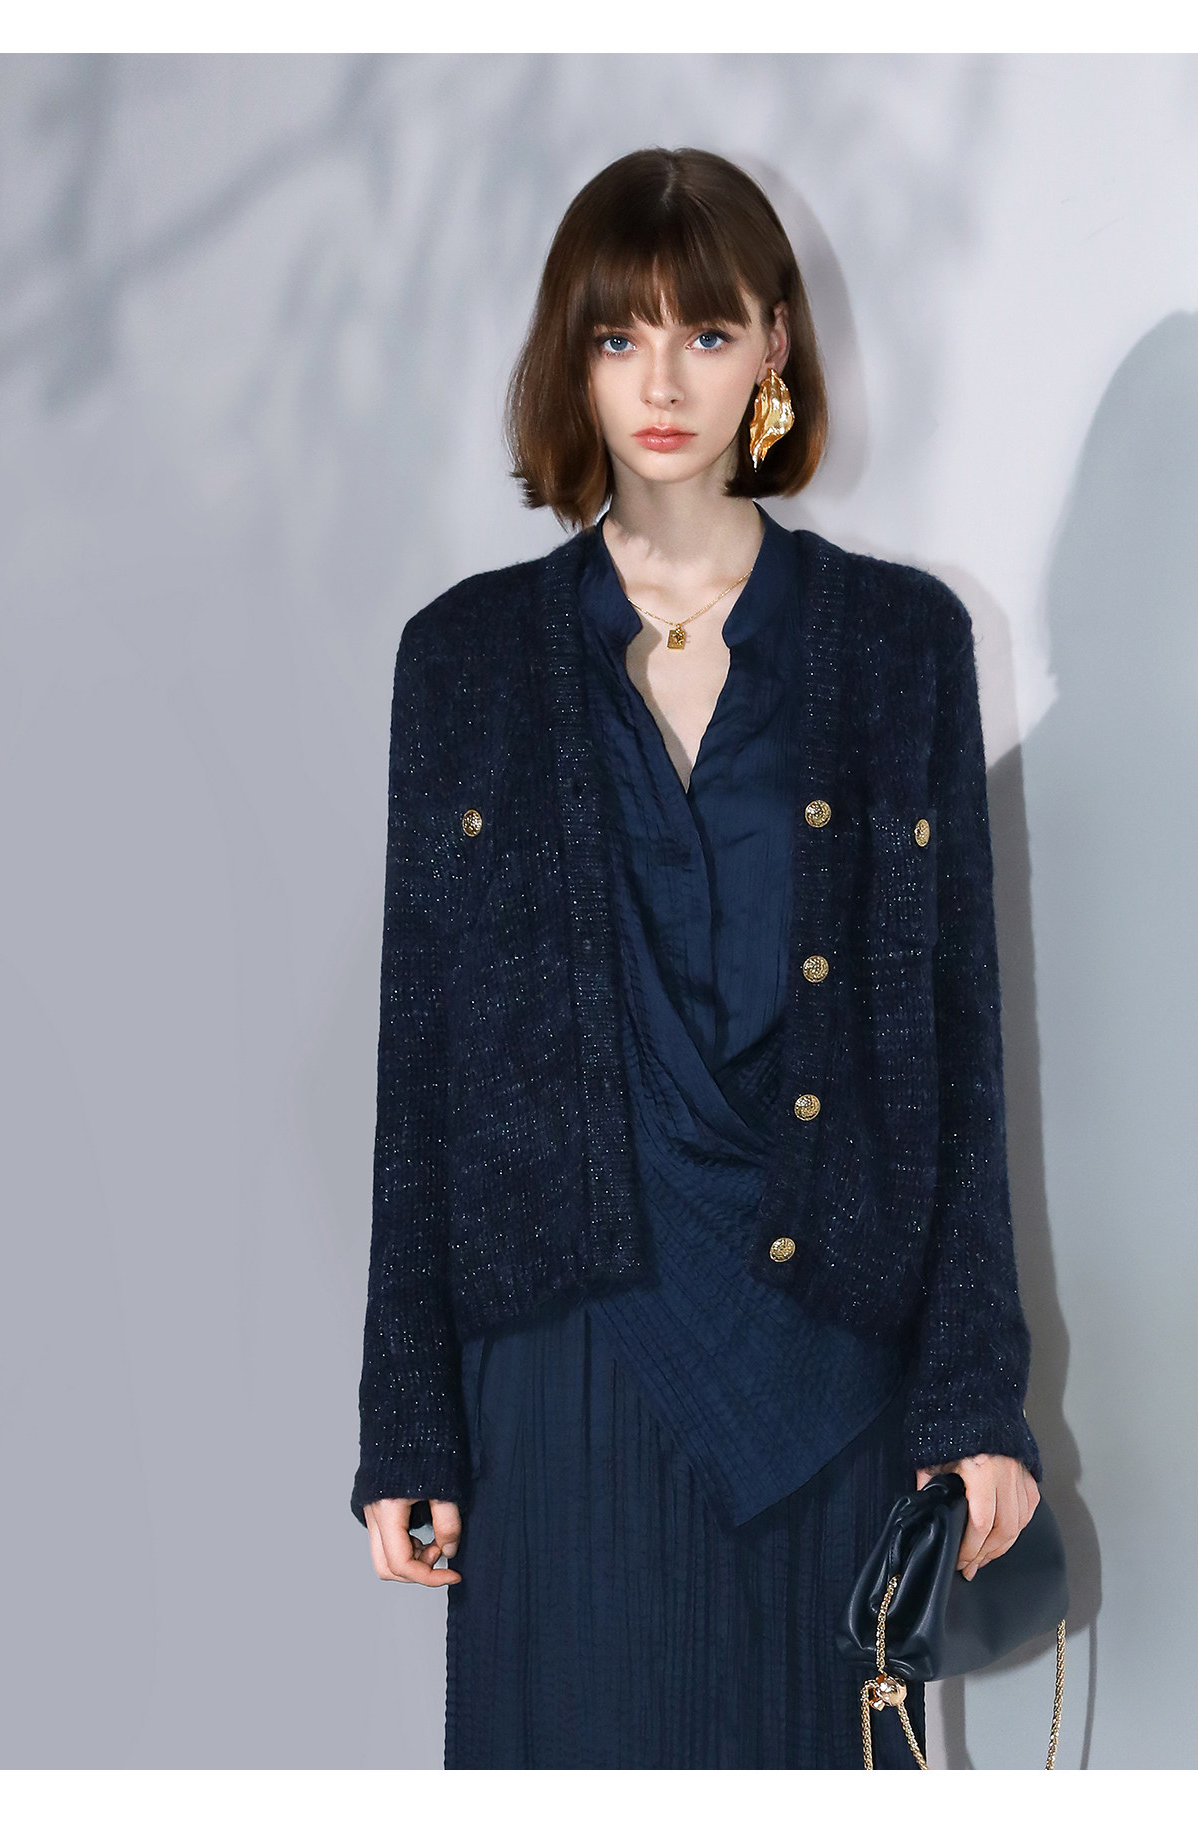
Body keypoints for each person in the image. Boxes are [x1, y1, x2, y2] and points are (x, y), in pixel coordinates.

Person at [349, 146, 1044, 1769]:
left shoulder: (901, 649)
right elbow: (422, 1059)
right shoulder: (462, 661)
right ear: (571, 357)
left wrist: (972, 1396)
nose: (662, 385)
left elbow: (955, 1045)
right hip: (561, 1371)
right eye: (619, 337)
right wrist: (406, 1415)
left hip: (828, 1363)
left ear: (774, 350)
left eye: (707, 332)